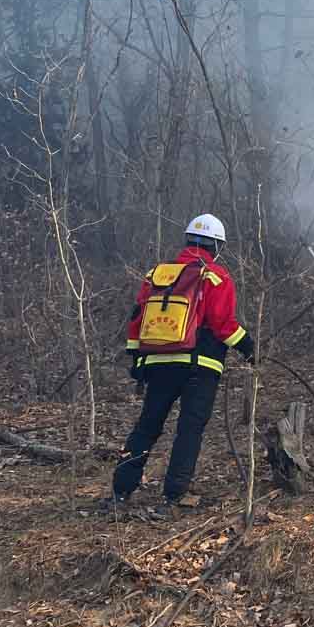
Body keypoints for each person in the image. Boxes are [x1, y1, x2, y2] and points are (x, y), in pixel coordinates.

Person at [109, 213, 254, 515]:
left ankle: (121, 491)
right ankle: (173, 496)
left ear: (187, 240)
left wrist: (137, 359)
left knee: (147, 427)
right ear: (217, 246)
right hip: (200, 366)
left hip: (158, 363)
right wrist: (249, 348)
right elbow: (222, 324)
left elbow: (136, 320)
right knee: (189, 430)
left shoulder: (157, 275)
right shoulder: (215, 276)